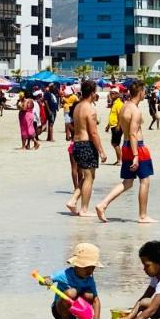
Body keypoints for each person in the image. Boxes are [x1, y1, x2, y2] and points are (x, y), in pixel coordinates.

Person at [96, 80, 155, 223]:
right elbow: (134, 134)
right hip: (137, 148)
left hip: (126, 145)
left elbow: (123, 129)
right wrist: (136, 156)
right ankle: (143, 215)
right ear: (140, 92)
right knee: (145, 181)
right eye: (144, 92)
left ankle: (102, 204)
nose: (145, 94)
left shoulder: (124, 107)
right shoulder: (135, 110)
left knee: (127, 182)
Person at [38, 241, 102, 319]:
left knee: (89, 294)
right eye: (86, 267)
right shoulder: (64, 274)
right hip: (59, 311)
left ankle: (81, 318)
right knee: (72, 292)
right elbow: (41, 281)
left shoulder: (89, 279)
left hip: (78, 310)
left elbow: (96, 300)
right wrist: (47, 280)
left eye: (92, 268)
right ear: (76, 264)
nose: (89, 271)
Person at [66, 80, 107, 217]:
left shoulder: (77, 106)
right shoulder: (89, 109)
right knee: (89, 177)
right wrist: (101, 151)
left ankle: (73, 201)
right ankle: (84, 209)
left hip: (76, 144)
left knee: (87, 176)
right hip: (86, 144)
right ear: (93, 93)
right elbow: (93, 132)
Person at [106, 91, 124, 164]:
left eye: (113, 93)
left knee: (115, 143)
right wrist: (108, 125)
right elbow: (113, 115)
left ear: (117, 94)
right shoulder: (114, 103)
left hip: (117, 126)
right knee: (115, 143)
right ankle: (119, 160)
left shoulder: (119, 103)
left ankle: (120, 160)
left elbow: (120, 115)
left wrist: (118, 125)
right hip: (113, 125)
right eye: (111, 93)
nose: (111, 94)